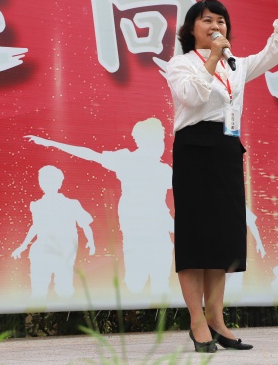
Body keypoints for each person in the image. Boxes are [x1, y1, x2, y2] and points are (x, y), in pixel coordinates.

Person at [165, 0, 278, 353]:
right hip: (194, 150)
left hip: (226, 150)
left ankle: (217, 320)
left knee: (221, 238)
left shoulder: (237, 66)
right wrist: (211, 58)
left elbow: (274, 51)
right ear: (191, 29)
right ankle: (197, 321)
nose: (215, 25)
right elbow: (192, 97)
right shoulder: (180, 64)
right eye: (206, 20)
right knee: (196, 237)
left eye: (220, 20)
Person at [25, 117, 174, 296]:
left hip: (160, 232)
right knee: (135, 284)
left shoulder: (164, 170)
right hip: (136, 233)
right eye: (158, 139)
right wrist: (51, 143)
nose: (162, 144)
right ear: (144, 141)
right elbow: (90, 154)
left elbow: (164, 205)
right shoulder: (127, 160)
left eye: (162, 139)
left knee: (160, 283)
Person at [11, 165, 96, 299]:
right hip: (41, 250)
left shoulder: (71, 204)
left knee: (64, 288)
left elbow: (85, 224)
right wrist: (23, 246)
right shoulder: (37, 205)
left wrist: (91, 241)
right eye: (42, 180)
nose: (45, 183)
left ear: (59, 183)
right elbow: (36, 226)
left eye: (50, 180)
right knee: (39, 289)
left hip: (64, 250)